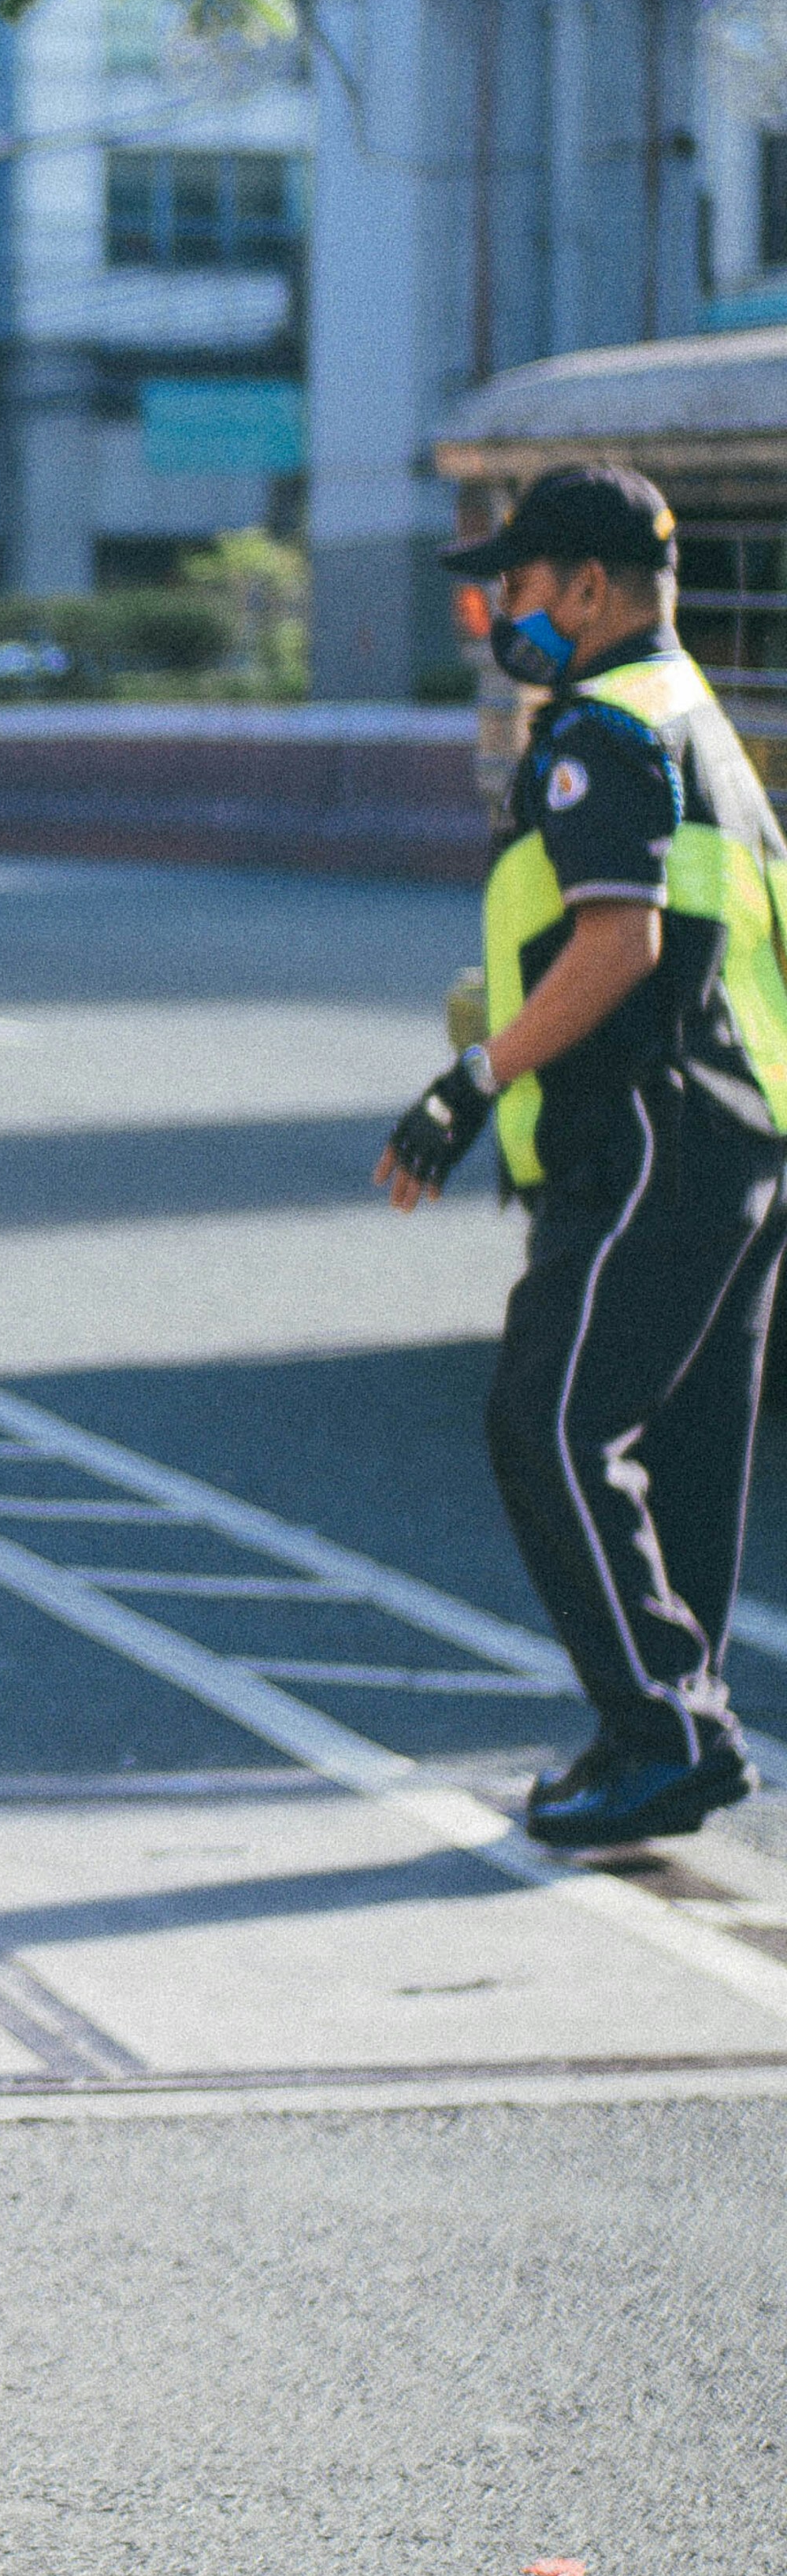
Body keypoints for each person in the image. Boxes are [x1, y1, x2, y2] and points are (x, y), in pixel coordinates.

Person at [381, 462, 787, 1853]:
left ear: (595, 590)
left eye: (524, 583)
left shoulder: (600, 730)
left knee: (547, 1422)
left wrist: (476, 1078)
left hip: (649, 1130)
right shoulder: (701, 725)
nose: (503, 607)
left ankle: (668, 1731)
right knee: (681, 1451)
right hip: (745, 1132)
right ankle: (666, 1729)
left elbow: (624, 939)